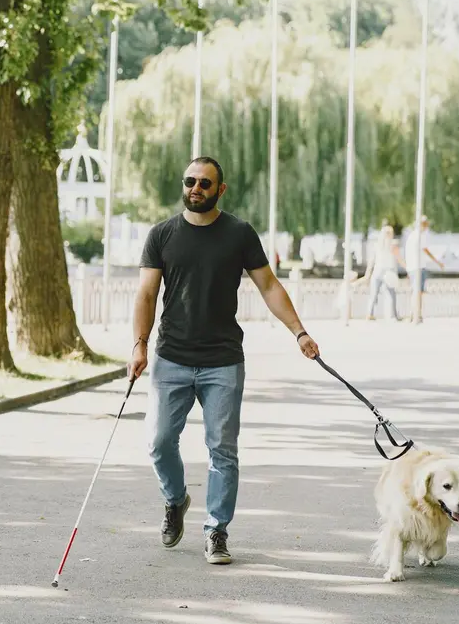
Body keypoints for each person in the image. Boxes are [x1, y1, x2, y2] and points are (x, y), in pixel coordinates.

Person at [128, 156, 319, 566]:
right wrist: (139, 344)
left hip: (222, 361)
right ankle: (175, 500)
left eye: (204, 183)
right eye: (190, 181)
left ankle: (216, 529)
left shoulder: (238, 233)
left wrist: (299, 332)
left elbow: (268, 286)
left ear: (220, 189)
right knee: (158, 442)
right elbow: (145, 294)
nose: (195, 188)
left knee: (222, 450)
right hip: (170, 357)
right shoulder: (162, 235)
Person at [356, 223, 403, 321]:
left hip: (379, 271)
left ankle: (370, 314)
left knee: (374, 294)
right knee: (391, 294)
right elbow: (398, 259)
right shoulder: (392, 245)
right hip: (387, 272)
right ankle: (393, 315)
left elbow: (371, 261)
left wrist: (367, 274)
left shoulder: (378, 245)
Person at [404, 215, 444, 322]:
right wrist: (438, 262)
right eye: (426, 225)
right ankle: (417, 314)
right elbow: (426, 250)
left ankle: (414, 313)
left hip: (412, 267)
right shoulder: (419, 236)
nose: (427, 227)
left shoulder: (411, 236)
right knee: (418, 292)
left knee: (415, 291)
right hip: (418, 267)